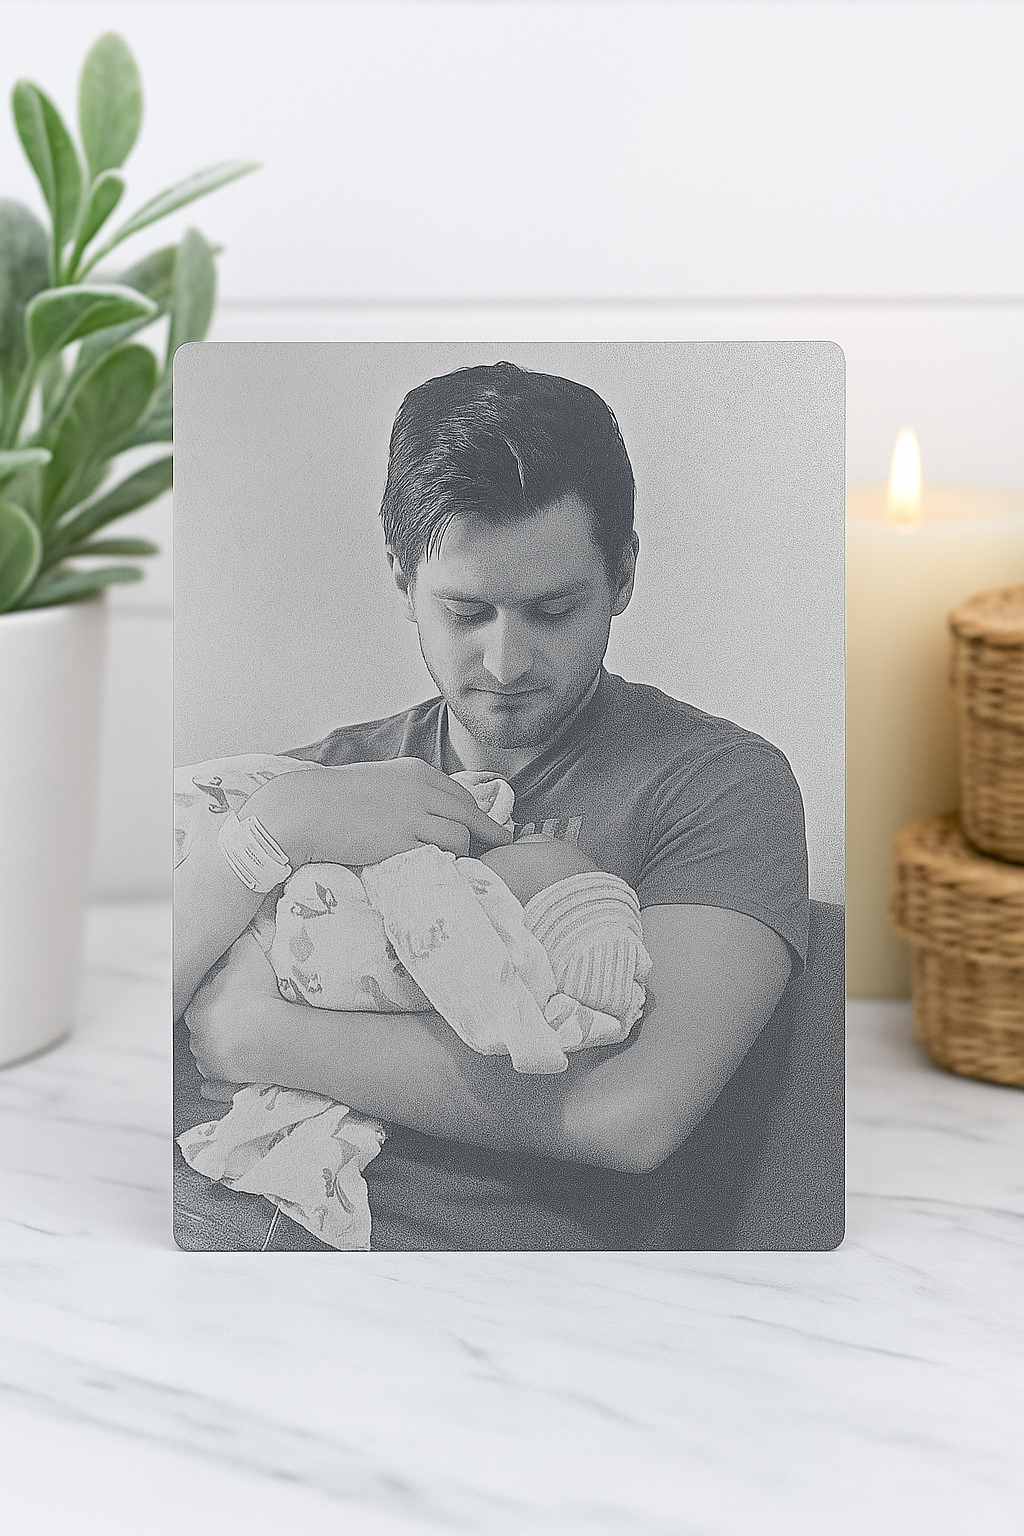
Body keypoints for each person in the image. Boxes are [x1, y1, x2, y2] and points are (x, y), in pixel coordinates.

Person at [175, 360, 808, 1250]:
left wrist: (259, 1037)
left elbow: (631, 1116)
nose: (506, 662)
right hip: (205, 1235)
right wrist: (264, 837)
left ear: (623, 576)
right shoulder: (316, 785)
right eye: (466, 611)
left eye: (553, 610)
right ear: (402, 581)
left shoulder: (717, 785)